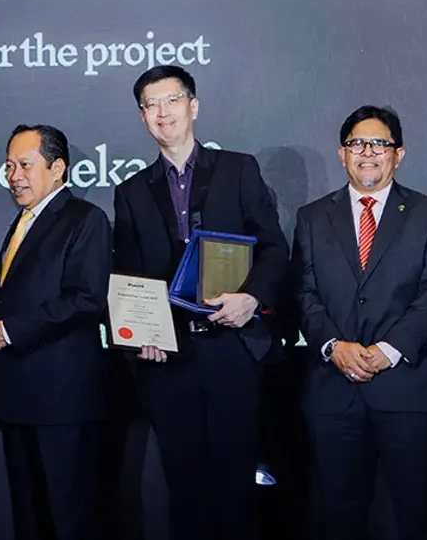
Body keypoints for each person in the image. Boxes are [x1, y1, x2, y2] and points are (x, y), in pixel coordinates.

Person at [111, 65, 289, 540]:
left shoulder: (237, 169)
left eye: (171, 100)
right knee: (183, 487)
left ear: (194, 106)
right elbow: (129, 275)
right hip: (168, 360)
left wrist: (252, 297)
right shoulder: (129, 192)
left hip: (232, 349)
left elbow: (273, 246)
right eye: (151, 104)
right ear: (143, 117)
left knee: (235, 487)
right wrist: (140, 335)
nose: (162, 112)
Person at [292, 105, 427, 540]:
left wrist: (387, 351)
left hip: (407, 389)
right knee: (335, 515)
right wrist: (334, 346)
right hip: (333, 393)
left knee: (416, 515)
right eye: (357, 144)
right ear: (342, 154)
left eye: (379, 143)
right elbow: (302, 293)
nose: (368, 152)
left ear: (398, 154)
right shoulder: (312, 218)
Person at [0, 124, 111, 540]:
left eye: (24, 165)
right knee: (29, 519)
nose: (13, 176)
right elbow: (20, 297)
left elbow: (85, 299)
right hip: (17, 398)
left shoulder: (85, 219)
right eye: (8, 166)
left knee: (68, 519)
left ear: (58, 168)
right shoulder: (22, 220)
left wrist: (7, 330)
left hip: (62, 402)